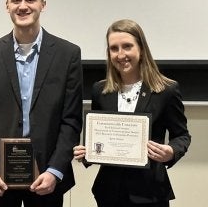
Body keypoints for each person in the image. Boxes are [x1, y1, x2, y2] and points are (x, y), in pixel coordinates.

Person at [0, 0, 83, 207]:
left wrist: (55, 170)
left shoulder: (68, 54)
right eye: (16, 0)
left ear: (43, 4)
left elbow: (71, 121)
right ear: (7, 5)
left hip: (47, 178)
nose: (23, 6)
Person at [73, 19, 191, 207]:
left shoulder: (166, 90)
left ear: (141, 49)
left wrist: (171, 151)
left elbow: (182, 136)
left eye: (127, 46)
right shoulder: (100, 90)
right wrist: (88, 151)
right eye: (114, 48)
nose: (121, 54)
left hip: (150, 192)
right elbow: (100, 136)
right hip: (109, 192)